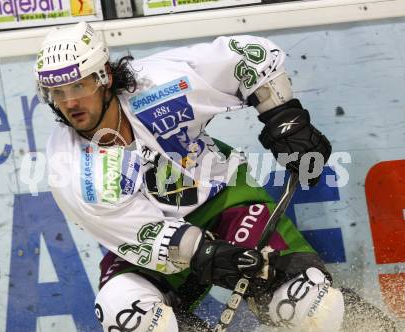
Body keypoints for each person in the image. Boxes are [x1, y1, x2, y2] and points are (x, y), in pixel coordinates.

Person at [35, 22, 396, 331]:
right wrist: (204, 252)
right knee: (127, 314)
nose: (70, 103)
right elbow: (139, 234)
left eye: (79, 86)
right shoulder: (68, 166)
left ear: (105, 77)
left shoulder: (159, 85)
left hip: (225, 204)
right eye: (58, 93)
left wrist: (284, 118)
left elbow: (246, 56)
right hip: (155, 245)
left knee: (309, 303)